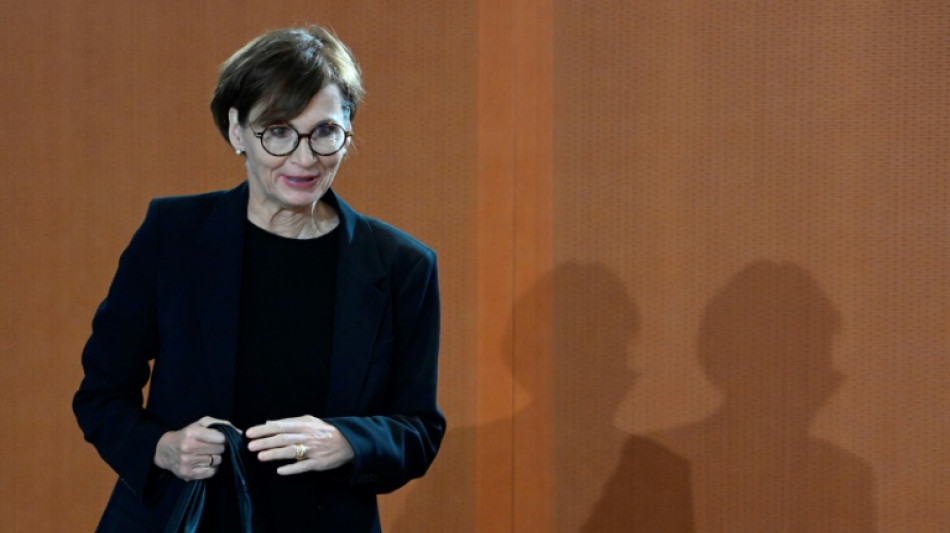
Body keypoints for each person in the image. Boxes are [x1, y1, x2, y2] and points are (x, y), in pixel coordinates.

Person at [73, 25, 444, 533]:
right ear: (237, 131)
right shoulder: (172, 235)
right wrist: (162, 448)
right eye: (278, 131)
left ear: (348, 131)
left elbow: (419, 429)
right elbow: (101, 394)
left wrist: (348, 442)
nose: (304, 157)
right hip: (183, 518)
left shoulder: (403, 265)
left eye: (325, 132)